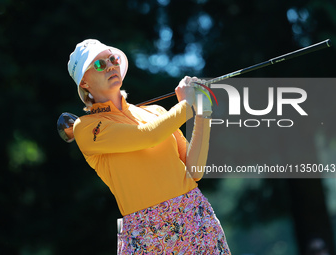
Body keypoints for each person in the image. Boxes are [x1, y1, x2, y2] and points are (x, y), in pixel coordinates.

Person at [67, 39, 231, 254]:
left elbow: (194, 171)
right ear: (84, 83)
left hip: (195, 215)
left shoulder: (156, 112)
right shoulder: (85, 127)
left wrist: (202, 112)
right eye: (99, 64)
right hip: (144, 231)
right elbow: (148, 136)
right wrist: (185, 105)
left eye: (112, 59)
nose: (110, 66)